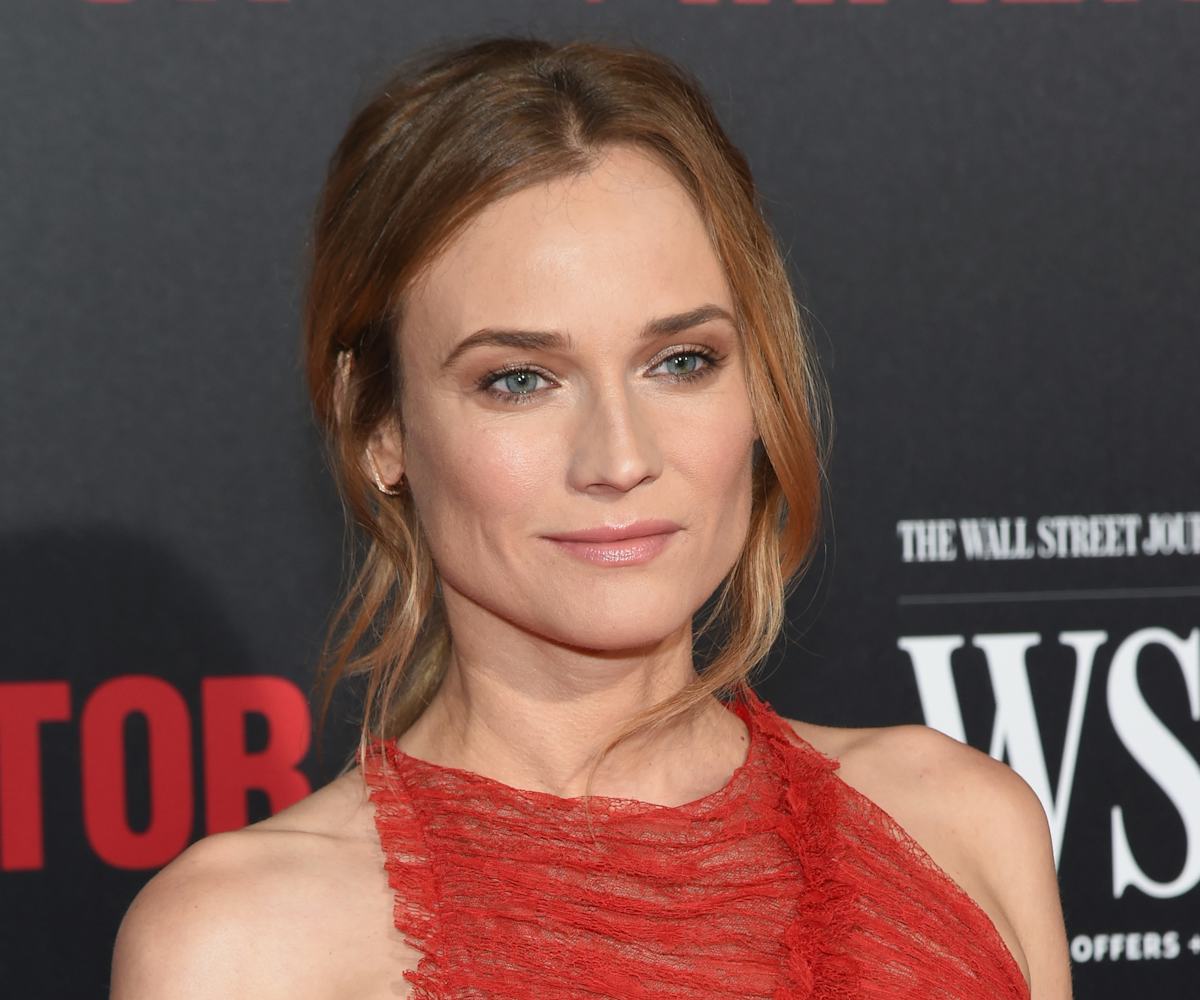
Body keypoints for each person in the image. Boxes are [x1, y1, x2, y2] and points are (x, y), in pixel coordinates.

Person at [110, 34, 1072, 999]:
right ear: (380, 428)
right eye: (519, 379)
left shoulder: (965, 830)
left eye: (681, 362)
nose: (620, 459)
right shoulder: (243, 948)